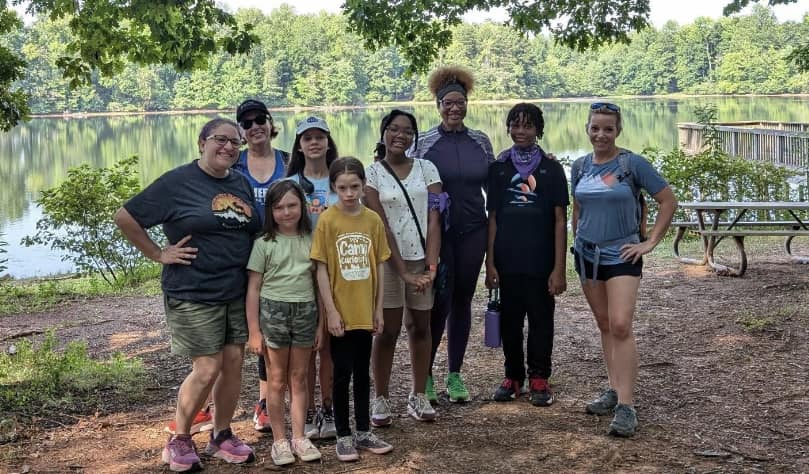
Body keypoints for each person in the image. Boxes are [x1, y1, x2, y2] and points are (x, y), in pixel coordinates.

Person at [114, 118, 259, 471]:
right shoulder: (177, 182)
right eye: (220, 140)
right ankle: (179, 438)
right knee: (207, 367)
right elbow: (125, 216)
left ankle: (222, 435)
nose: (227, 147)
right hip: (193, 291)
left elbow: (252, 228)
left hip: (235, 290)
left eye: (234, 142)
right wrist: (157, 253)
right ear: (202, 143)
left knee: (233, 364)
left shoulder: (239, 182)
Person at [570, 102, 677, 437]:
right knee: (604, 324)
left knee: (620, 324)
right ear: (587, 129)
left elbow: (668, 200)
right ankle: (614, 388)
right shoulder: (580, 166)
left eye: (608, 129)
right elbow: (578, 207)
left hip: (623, 255)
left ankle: (627, 407)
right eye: (595, 128)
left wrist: (651, 242)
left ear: (618, 131)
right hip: (588, 256)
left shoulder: (632, 164)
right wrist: (577, 240)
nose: (601, 134)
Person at [411, 66, 494, 403]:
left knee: (462, 301)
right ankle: (426, 375)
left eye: (461, 102)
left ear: (467, 104)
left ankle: (455, 374)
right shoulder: (425, 143)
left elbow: (496, 184)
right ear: (438, 105)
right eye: (448, 102)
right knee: (438, 304)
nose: (455, 108)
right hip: (439, 236)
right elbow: (412, 187)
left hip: (474, 231)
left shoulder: (480, 141)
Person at [310, 156, 394, 462]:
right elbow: (320, 269)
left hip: (364, 312)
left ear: (363, 185)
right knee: (341, 372)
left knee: (362, 372)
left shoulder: (372, 220)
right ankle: (343, 435)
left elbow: (380, 268)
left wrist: (379, 309)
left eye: (354, 186)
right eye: (342, 187)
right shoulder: (328, 221)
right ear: (333, 187)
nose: (349, 193)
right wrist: (330, 312)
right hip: (341, 314)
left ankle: (363, 431)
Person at [485, 103, 568, 407]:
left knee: (541, 319)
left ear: (538, 130)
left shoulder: (552, 168)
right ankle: (513, 376)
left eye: (528, 126)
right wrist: (489, 262)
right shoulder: (499, 168)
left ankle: (539, 378)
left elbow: (560, 220)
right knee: (509, 321)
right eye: (516, 125)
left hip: (541, 261)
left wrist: (559, 268)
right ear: (508, 128)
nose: (521, 131)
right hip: (507, 261)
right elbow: (492, 217)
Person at [365, 110, 442, 425]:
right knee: (388, 331)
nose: (401, 136)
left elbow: (436, 217)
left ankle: (418, 394)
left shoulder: (428, 169)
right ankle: (380, 398)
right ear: (383, 133)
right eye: (394, 129)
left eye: (408, 131)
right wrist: (404, 272)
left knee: (421, 327)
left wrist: (431, 266)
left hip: (423, 259)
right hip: (387, 261)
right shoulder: (372, 174)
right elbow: (380, 225)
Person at [245, 180, 322, 466]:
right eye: (279, 208)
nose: (286, 212)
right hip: (273, 313)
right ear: (270, 211)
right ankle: (279, 440)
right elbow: (253, 288)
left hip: (305, 312)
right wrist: (254, 331)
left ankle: (299, 437)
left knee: (299, 378)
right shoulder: (264, 243)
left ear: (302, 206)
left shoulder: (312, 239)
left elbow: (318, 285)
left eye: (292, 205)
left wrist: (319, 325)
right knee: (276, 380)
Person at [233, 99, 289, 432]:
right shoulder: (233, 163)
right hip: (239, 257)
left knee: (271, 329)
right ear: (241, 131)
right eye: (247, 122)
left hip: (279, 259)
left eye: (260, 120)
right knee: (237, 334)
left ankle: (266, 402)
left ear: (270, 123)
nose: (255, 127)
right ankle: (212, 405)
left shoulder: (286, 161)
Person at [286, 115, 340, 440]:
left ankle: (329, 406)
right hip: (300, 271)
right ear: (300, 145)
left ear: (328, 142)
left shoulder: (340, 179)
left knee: (329, 344)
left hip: (334, 272)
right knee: (305, 344)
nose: (315, 143)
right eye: (308, 138)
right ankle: (305, 410)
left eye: (320, 137)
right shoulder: (290, 182)